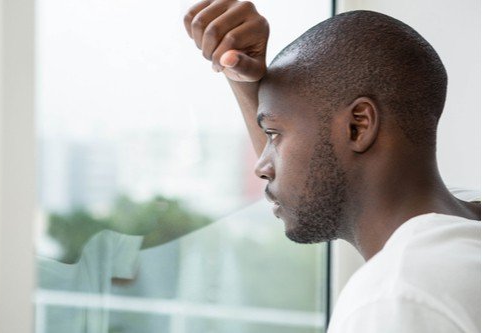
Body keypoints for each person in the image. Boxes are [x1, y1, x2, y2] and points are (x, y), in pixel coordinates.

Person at [183, 1, 481, 332]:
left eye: (274, 135)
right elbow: (315, 178)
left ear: (358, 126)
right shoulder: (463, 223)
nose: (262, 168)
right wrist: (244, 83)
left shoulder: (398, 297)